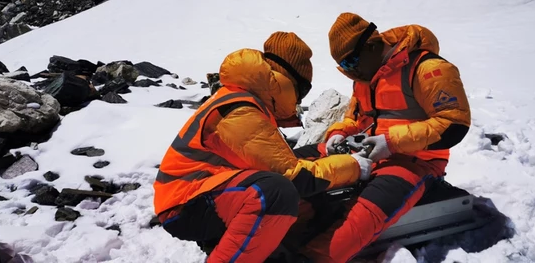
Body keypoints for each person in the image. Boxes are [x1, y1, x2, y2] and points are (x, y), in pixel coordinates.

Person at [153, 31, 373, 263]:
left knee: (305, 156)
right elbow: (296, 177)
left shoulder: (243, 98)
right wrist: (353, 166)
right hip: (184, 205)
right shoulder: (240, 110)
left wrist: (324, 152)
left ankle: (277, 246)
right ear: (290, 82)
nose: (298, 100)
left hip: (204, 190)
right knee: (274, 192)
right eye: (302, 91)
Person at [301, 12, 472, 262]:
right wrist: (338, 134)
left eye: (351, 62)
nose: (351, 72)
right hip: (366, 152)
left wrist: (391, 143)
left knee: (360, 218)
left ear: (371, 46)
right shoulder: (364, 78)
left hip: (412, 161)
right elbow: (355, 119)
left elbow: (453, 124)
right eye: (344, 67)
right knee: (296, 161)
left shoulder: (428, 69)